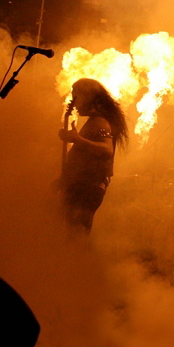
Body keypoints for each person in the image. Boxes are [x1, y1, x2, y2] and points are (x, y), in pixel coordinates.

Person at [58, 78, 129, 234]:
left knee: (77, 232)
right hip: (82, 184)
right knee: (73, 231)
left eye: (76, 97)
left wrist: (77, 139)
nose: (74, 103)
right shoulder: (94, 122)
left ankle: (76, 257)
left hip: (88, 186)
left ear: (88, 97)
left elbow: (106, 150)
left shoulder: (100, 122)